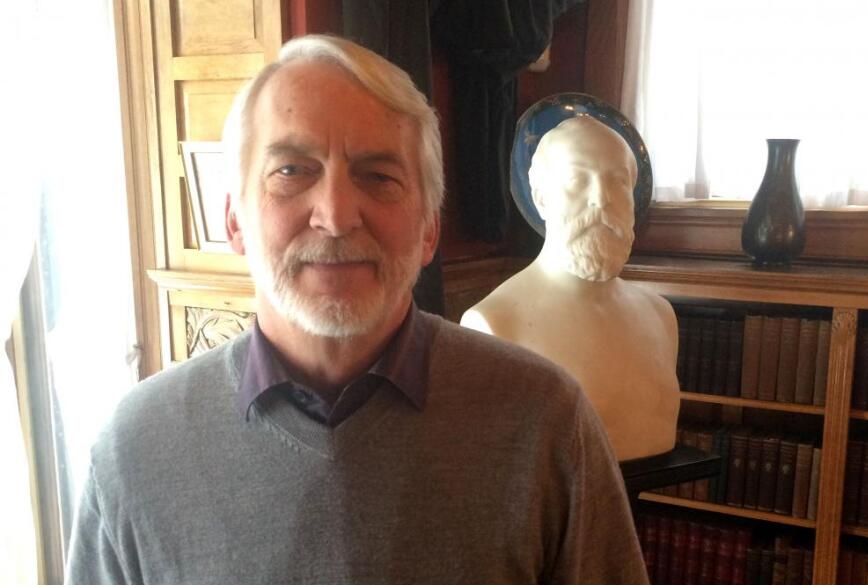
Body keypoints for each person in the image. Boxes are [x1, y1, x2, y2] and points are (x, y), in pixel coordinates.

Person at [65, 35, 649, 584]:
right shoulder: (135, 450)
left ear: (428, 229)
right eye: (291, 171)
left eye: (378, 175)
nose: (337, 214)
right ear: (234, 221)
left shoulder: (547, 424)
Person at [461, 116, 680, 462]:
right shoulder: (494, 324)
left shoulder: (660, 315)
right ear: (541, 198)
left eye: (618, 181)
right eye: (578, 180)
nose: (600, 199)